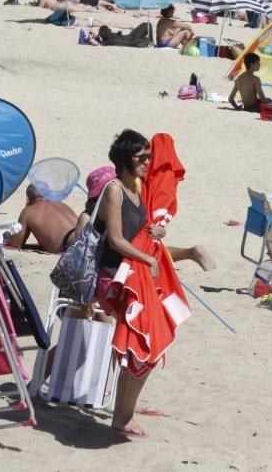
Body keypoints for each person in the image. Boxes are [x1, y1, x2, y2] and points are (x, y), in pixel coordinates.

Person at [91, 130, 214, 438]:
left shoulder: (136, 191)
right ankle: (123, 414)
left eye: (148, 156)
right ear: (124, 160)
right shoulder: (114, 190)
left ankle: (125, 411)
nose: (148, 161)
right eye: (141, 157)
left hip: (135, 274)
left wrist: (153, 236)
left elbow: (138, 238)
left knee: (150, 345)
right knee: (141, 345)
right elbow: (118, 241)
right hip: (114, 277)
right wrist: (150, 260)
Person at [7, 184, 79, 254]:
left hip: (70, 243)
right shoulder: (60, 203)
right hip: (85, 234)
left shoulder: (28, 211)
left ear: (27, 199)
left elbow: (15, 244)